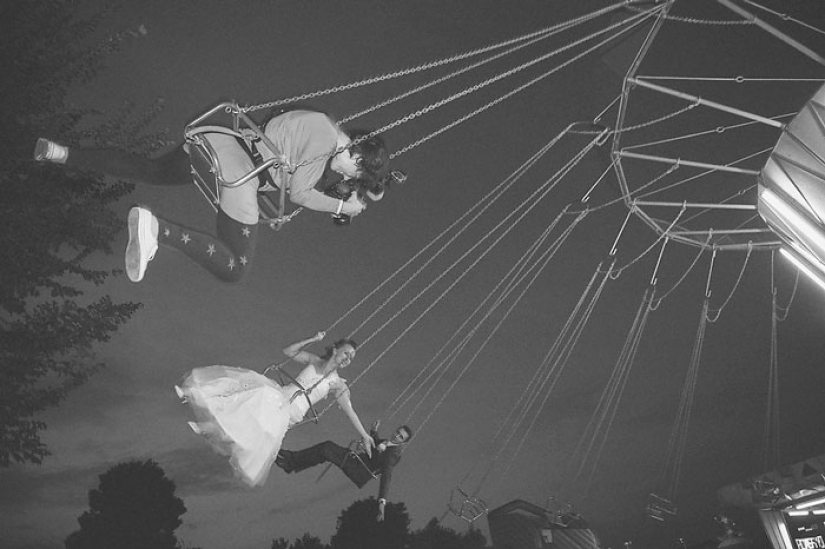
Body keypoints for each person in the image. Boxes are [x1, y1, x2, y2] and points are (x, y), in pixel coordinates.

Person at [33, 108, 390, 283]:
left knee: (152, 170)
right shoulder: (326, 139)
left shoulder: (319, 127)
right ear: (359, 155)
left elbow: (305, 179)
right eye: (356, 172)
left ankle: (61, 153)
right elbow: (300, 193)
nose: (346, 176)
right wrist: (344, 205)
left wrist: (347, 198)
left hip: (215, 142)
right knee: (235, 268)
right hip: (239, 171)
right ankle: (156, 230)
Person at [174, 331, 375, 487]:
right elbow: (288, 352)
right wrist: (313, 339)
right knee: (250, 391)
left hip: (293, 410)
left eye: (352, 357)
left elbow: (350, 411)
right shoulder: (314, 360)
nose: (349, 358)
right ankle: (194, 396)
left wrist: (365, 435)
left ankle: (208, 427)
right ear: (335, 349)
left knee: (257, 420)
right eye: (347, 353)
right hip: (281, 394)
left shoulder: (338, 384)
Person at [276, 420, 413, 521]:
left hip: (359, 470)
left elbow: (386, 477)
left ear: (403, 442)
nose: (396, 436)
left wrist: (382, 504)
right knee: (325, 450)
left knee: (327, 448)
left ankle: (292, 461)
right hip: (356, 461)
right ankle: (292, 463)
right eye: (397, 432)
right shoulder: (387, 443)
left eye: (401, 437)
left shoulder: (393, 454)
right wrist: (374, 432)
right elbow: (376, 444)